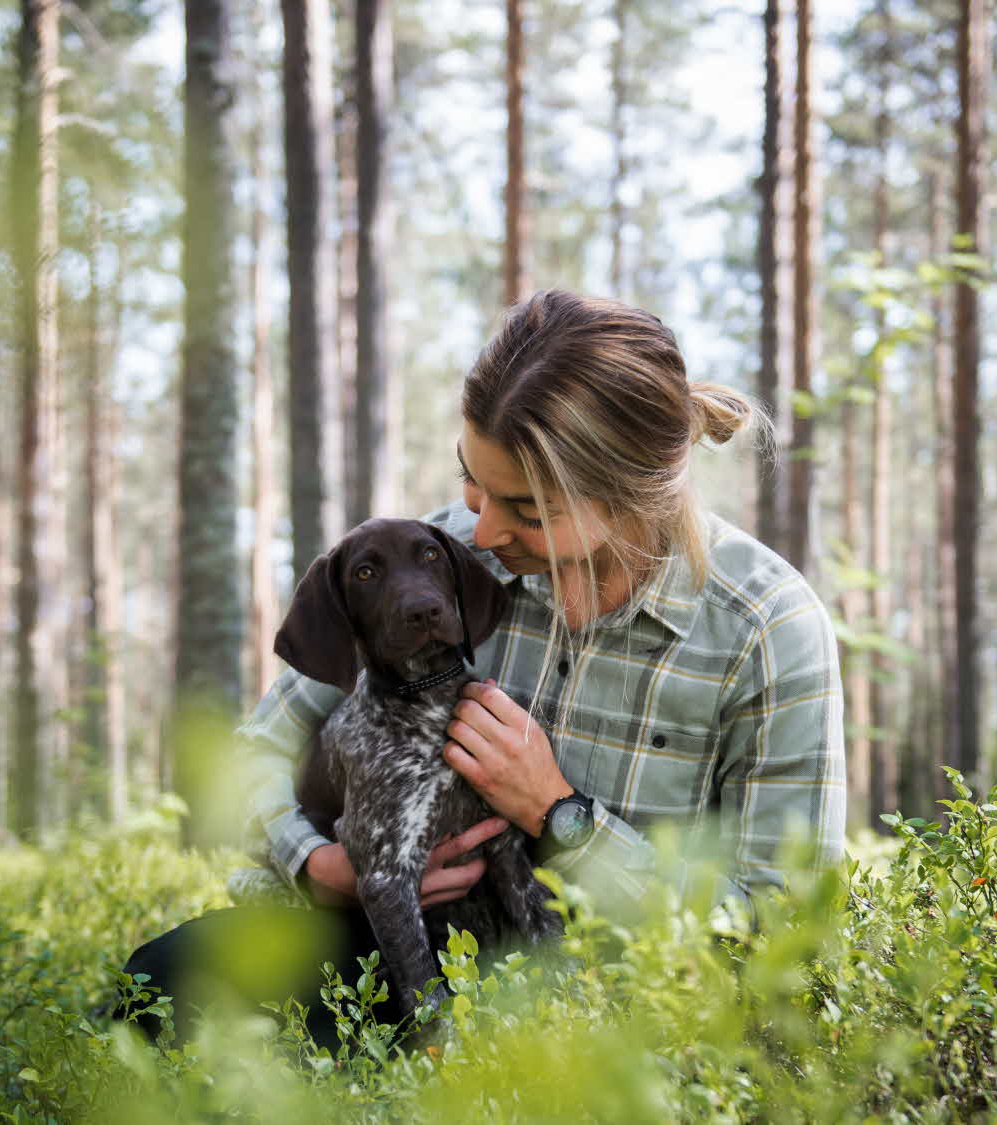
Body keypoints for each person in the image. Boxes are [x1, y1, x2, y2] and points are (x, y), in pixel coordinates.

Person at [117, 290, 846, 1046]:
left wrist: (560, 814)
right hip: (411, 954)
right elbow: (256, 752)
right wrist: (314, 864)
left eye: (528, 509)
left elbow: (786, 939)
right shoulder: (440, 562)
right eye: (472, 478)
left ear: (632, 494)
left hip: (629, 1006)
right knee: (160, 986)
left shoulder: (765, 632)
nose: (483, 527)